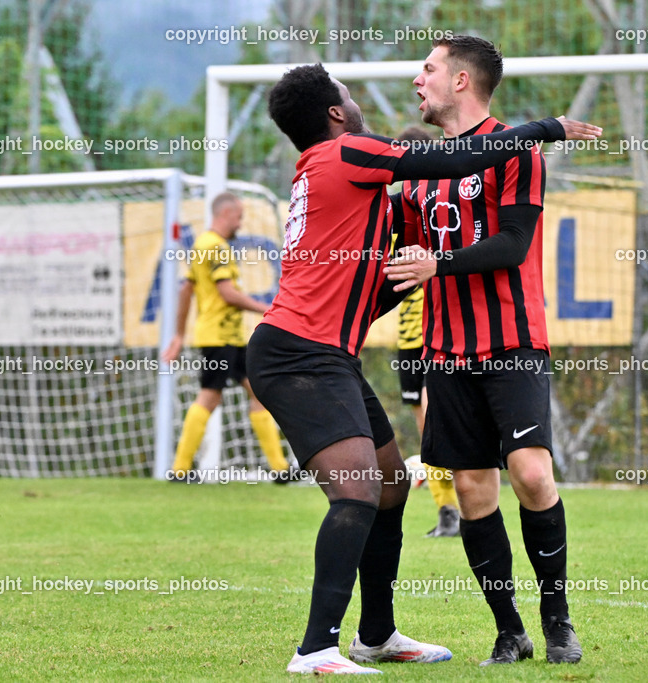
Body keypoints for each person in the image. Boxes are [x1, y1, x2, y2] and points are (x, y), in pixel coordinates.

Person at [247, 63, 600, 674]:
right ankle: (316, 650)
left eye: (430, 69)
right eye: (349, 96)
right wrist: (549, 127)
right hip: (299, 352)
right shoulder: (349, 154)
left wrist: (421, 269)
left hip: (331, 352)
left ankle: (377, 635)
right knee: (358, 492)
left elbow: (377, 280)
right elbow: (460, 161)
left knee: (387, 489)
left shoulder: (333, 176)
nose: (359, 103)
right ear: (335, 115)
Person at [386, 35, 586, 665]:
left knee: (530, 474)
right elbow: (406, 265)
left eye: (428, 69)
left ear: (462, 81)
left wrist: (436, 262)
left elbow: (513, 244)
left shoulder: (516, 153)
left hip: (511, 342)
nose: (417, 82)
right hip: (444, 351)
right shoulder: (420, 174)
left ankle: (558, 624)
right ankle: (510, 631)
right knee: (473, 492)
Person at [161, 192, 291, 482]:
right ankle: (180, 469)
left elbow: (186, 290)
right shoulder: (216, 247)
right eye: (238, 216)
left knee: (256, 392)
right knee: (209, 396)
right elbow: (227, 294)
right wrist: (267, 309)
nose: (240, 223)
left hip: (229, 337)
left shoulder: (202, 245)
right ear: (224, 214)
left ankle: (280, 469)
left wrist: (180, 334)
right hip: (220, 338)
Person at [392, 126, 460, 538]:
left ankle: (466, 509)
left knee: (440, 424)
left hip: (439, 335)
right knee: (427, 429)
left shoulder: (442, 210)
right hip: (408, 340)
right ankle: (447, 511)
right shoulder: (396, 211)